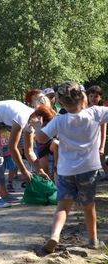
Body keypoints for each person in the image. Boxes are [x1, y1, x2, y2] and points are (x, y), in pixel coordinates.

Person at [30, 81, 107, 253]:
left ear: (61, 103)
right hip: (88, 170)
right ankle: (93, 240)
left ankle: (54, 236)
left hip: (65, 171)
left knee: (63, 207)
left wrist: (36, 127)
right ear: (84, 97)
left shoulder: (59, 120)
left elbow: (41, 139)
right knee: (88, 206)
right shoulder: (95, 113)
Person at [23, 104, 59, 183]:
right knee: (45, 172)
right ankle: (49, 187)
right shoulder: (31, 122)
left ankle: (56, 168)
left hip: (50, 143)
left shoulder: (52, 118)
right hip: (40, 145)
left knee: (56, 144)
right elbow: (30, 146)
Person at [87, 85, 108, 177]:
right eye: (91, 96)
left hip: (97, 141)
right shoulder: (84, 110)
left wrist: (102, 147)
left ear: (100, 97)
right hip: (86, 142)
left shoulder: (102, 111)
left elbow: (103, 131)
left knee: (102, 161)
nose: (93, 98)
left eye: (96, 96)